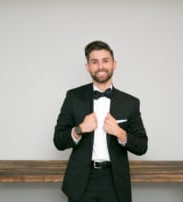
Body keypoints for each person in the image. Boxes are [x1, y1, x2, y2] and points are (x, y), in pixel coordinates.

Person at [53, 40, 148, 202]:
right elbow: (58, 141)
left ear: (114, 64)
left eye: (105, 61)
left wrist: (120, 133)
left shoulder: (130, 102)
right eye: (94, 62)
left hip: (115, 181)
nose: (100, 66)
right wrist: (79, 129)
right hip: (82, 180)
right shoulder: (73, 97)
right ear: (87, 67)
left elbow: (142, 146)